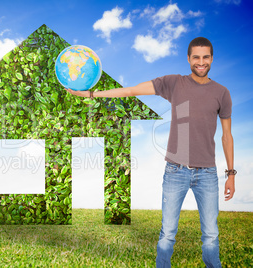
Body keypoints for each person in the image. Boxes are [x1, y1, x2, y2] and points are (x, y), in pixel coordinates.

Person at [64, 37, 236, 268]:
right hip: (176, 171)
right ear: (188, 59)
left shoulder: (222, 93)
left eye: (206, 57)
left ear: (212, 59)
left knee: (211, 236)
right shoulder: (174, 83)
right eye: (196, 57)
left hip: (207, 173)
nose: (201, 62)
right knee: (167, 233)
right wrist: (93, 95)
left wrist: (231, 173)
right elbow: (133, 90)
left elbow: (227, 136)